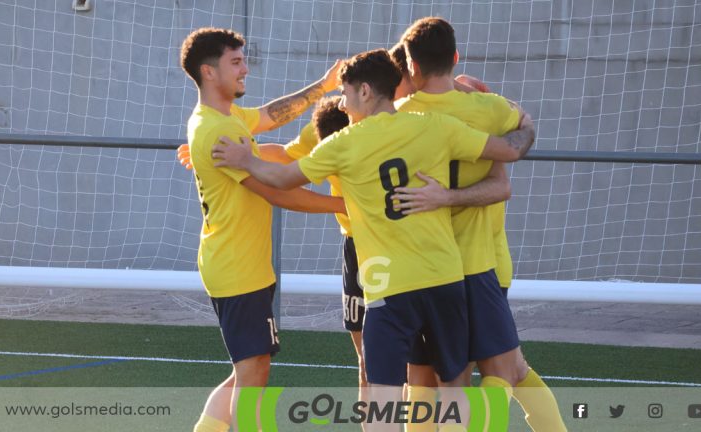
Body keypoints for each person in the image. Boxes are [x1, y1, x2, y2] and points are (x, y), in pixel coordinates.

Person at [211, 48, 535, 431]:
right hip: (445, 279)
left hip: (389, 289)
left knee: (380, 396)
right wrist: (526, 123)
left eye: (345, 94)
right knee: (454, 388)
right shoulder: (434, 126)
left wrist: (245, 161)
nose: (343, 105)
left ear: (365, 91)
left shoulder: (344, 142)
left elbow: (282, 178)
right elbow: (511, 150)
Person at [394, 17, 567, 432]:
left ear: (410, 65)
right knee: (503, 370)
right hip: (477, 264)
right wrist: (521, 123)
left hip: (417, 268)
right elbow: (524, 130)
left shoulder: (397, 117)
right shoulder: (490, 110)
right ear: (455, 57)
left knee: (426, 376)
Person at [179, 27, 345, 432]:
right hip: (237, 266)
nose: (245, 69)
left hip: (239, 263)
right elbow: (276, 190)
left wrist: (321, 87)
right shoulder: (218, 130)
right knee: (253, 372)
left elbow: (271, 116)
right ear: (209, 72)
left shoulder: (225, 117)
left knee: (246, 369)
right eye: (235, 62)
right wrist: (345, 205)